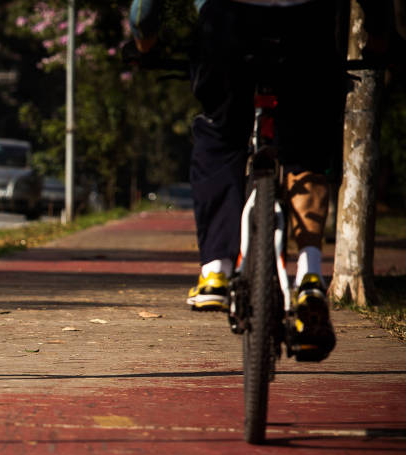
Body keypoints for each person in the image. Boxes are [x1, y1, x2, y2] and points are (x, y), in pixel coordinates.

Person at [129, 0, 341, 361]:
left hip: (228, 24)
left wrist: (144, 42)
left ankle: (216, 271)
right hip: (307, 24)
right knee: (305, 150)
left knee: (220, 136)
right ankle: (310, 276)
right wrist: (382, 40)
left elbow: (145, 11)